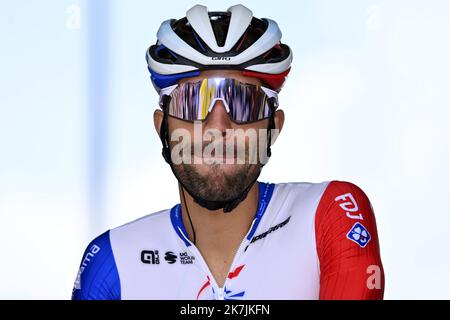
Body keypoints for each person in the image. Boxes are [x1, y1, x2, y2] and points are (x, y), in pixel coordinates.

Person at [72, 4, 384, 300]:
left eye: (243, 103)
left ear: (273, 128)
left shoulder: (327, 213)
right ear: (162, 128)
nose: (218, 126)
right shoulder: (113, 260)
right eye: (193, 102)